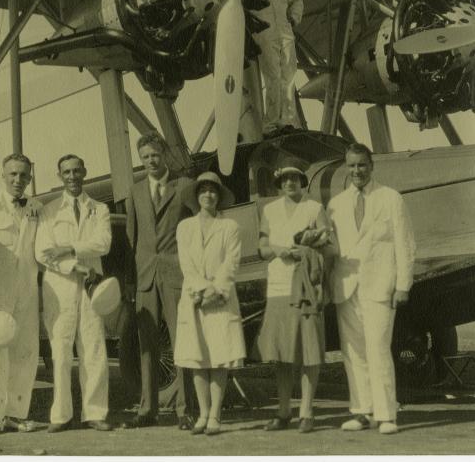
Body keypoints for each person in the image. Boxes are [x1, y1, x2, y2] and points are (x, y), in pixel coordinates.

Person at [327, 143, 416, 435]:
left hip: (380, 286)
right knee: (352, 352)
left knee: (378, 349)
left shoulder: (390, 198)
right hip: (346, 286)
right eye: (351, 166)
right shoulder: (336, 204)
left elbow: (404, 245)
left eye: (362, 165)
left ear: (371, 166)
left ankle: (386, 414)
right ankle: (362, 411)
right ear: (346, 166)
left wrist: (403, 285)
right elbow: (332, 248)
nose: (357, 171)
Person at [254, 157, 337, 433]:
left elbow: (330, 248)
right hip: (279, 287)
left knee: (309, 351)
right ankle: (284, 410)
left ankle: (307, 411)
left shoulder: (314, 208)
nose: (290, 182)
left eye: (295, 178)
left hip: (307, 287)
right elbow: (263, 247)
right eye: (285, 178)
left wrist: (311, 256)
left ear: (303, 181)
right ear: (279, 183)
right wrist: (279, 250)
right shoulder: (270, 210)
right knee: (283, 353)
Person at [35, 154, 113, 432]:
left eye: (76, 171)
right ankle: (61, 415)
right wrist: (73, 266)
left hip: (92, 286)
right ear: (60, 176)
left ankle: (95, 412)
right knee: (61, 350)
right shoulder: (50, 210)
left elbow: (103, 243)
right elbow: (43, 251)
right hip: (60, 286)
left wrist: (68, 249)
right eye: (66, 172)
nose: (72, 176)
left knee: (93, 348)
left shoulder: (99, 209)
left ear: (85, 172)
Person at [123, 132, 194, 430]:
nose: (151, 161)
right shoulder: (136, 192)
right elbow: (131, 239)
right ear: (140, 160)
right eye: (145, 157)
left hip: (178, 274)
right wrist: (130, 279)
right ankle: (147, 410)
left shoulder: (185, 186)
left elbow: (195, 232)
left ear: (164, 154)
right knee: (147, 346)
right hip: (145, 276)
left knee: (182, 343)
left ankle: (185, 409)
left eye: (155, 155)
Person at [0, 153, 42, 434]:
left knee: (25, 353)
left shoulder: (36, 208)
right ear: (3, 176)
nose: (18, 180)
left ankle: (16, 414)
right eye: (13, 174)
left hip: (27, 290)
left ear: (30, 177)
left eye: (24, 175)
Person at [174, 172, 246, 436]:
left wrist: (215, 290)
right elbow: (187, 264)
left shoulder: (230, 227)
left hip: (221, 299)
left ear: (219, 196)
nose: (208, 195)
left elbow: (231, 262)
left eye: (213, 191)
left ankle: (216, 414)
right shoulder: (185, 228)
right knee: (198, 357)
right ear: (196, 196)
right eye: (203, 190)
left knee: (220, 357)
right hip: (194, 298)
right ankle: (202, 414)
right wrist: (202, 290)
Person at [251, 0, 304, 133]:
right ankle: (271, 123)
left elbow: (297, 0)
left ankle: (289, 120)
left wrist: (294, 18)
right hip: (265, 33)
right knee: (272, 77)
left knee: (289, 76)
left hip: (285, 32)